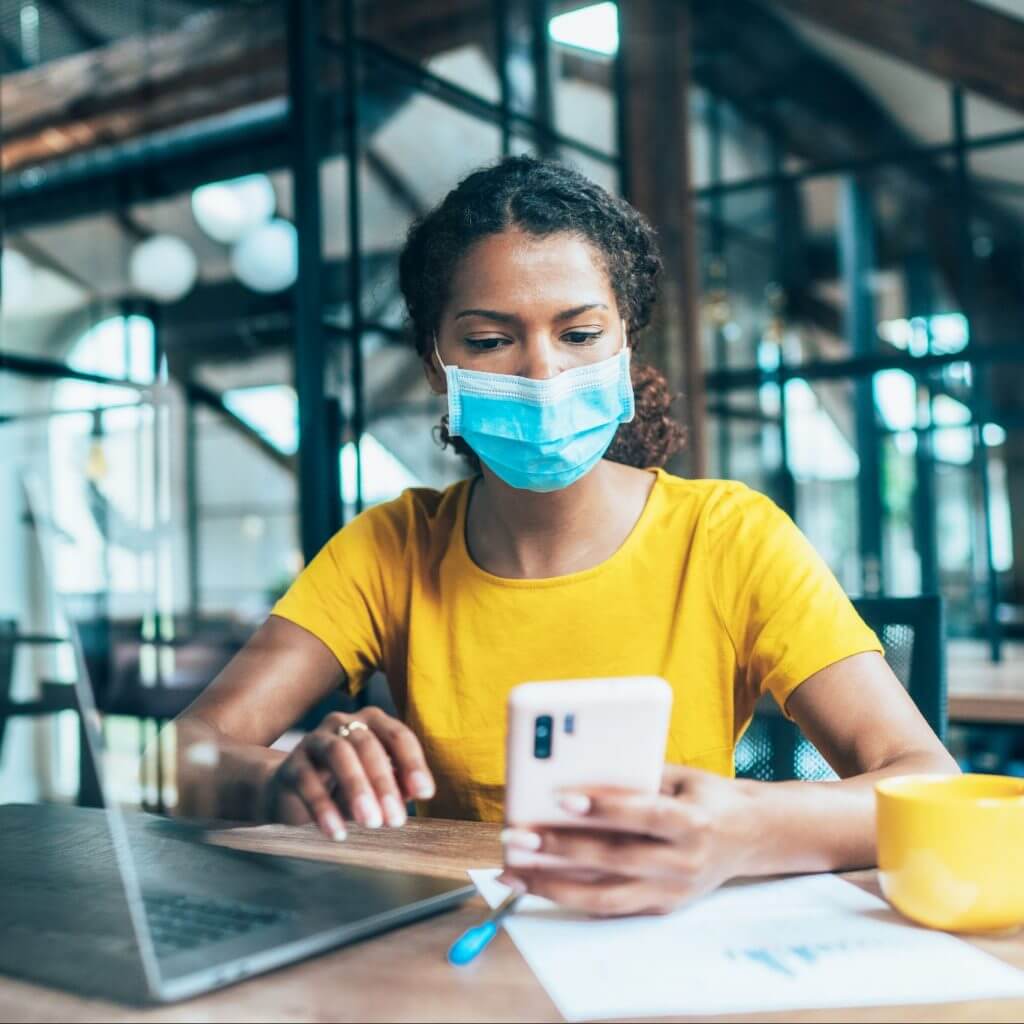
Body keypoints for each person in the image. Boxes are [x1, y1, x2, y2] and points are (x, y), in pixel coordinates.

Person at [175, 156, 956, 917]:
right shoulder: (389, 549)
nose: (543, 374)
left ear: (625, 345)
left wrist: (747, 828)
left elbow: (928, 781)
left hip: (670, 948)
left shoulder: (730, 538)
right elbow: (185, 752)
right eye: (489, 342)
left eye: (579, 334)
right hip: (453, 951)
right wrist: (274, 780)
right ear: (436, 365)